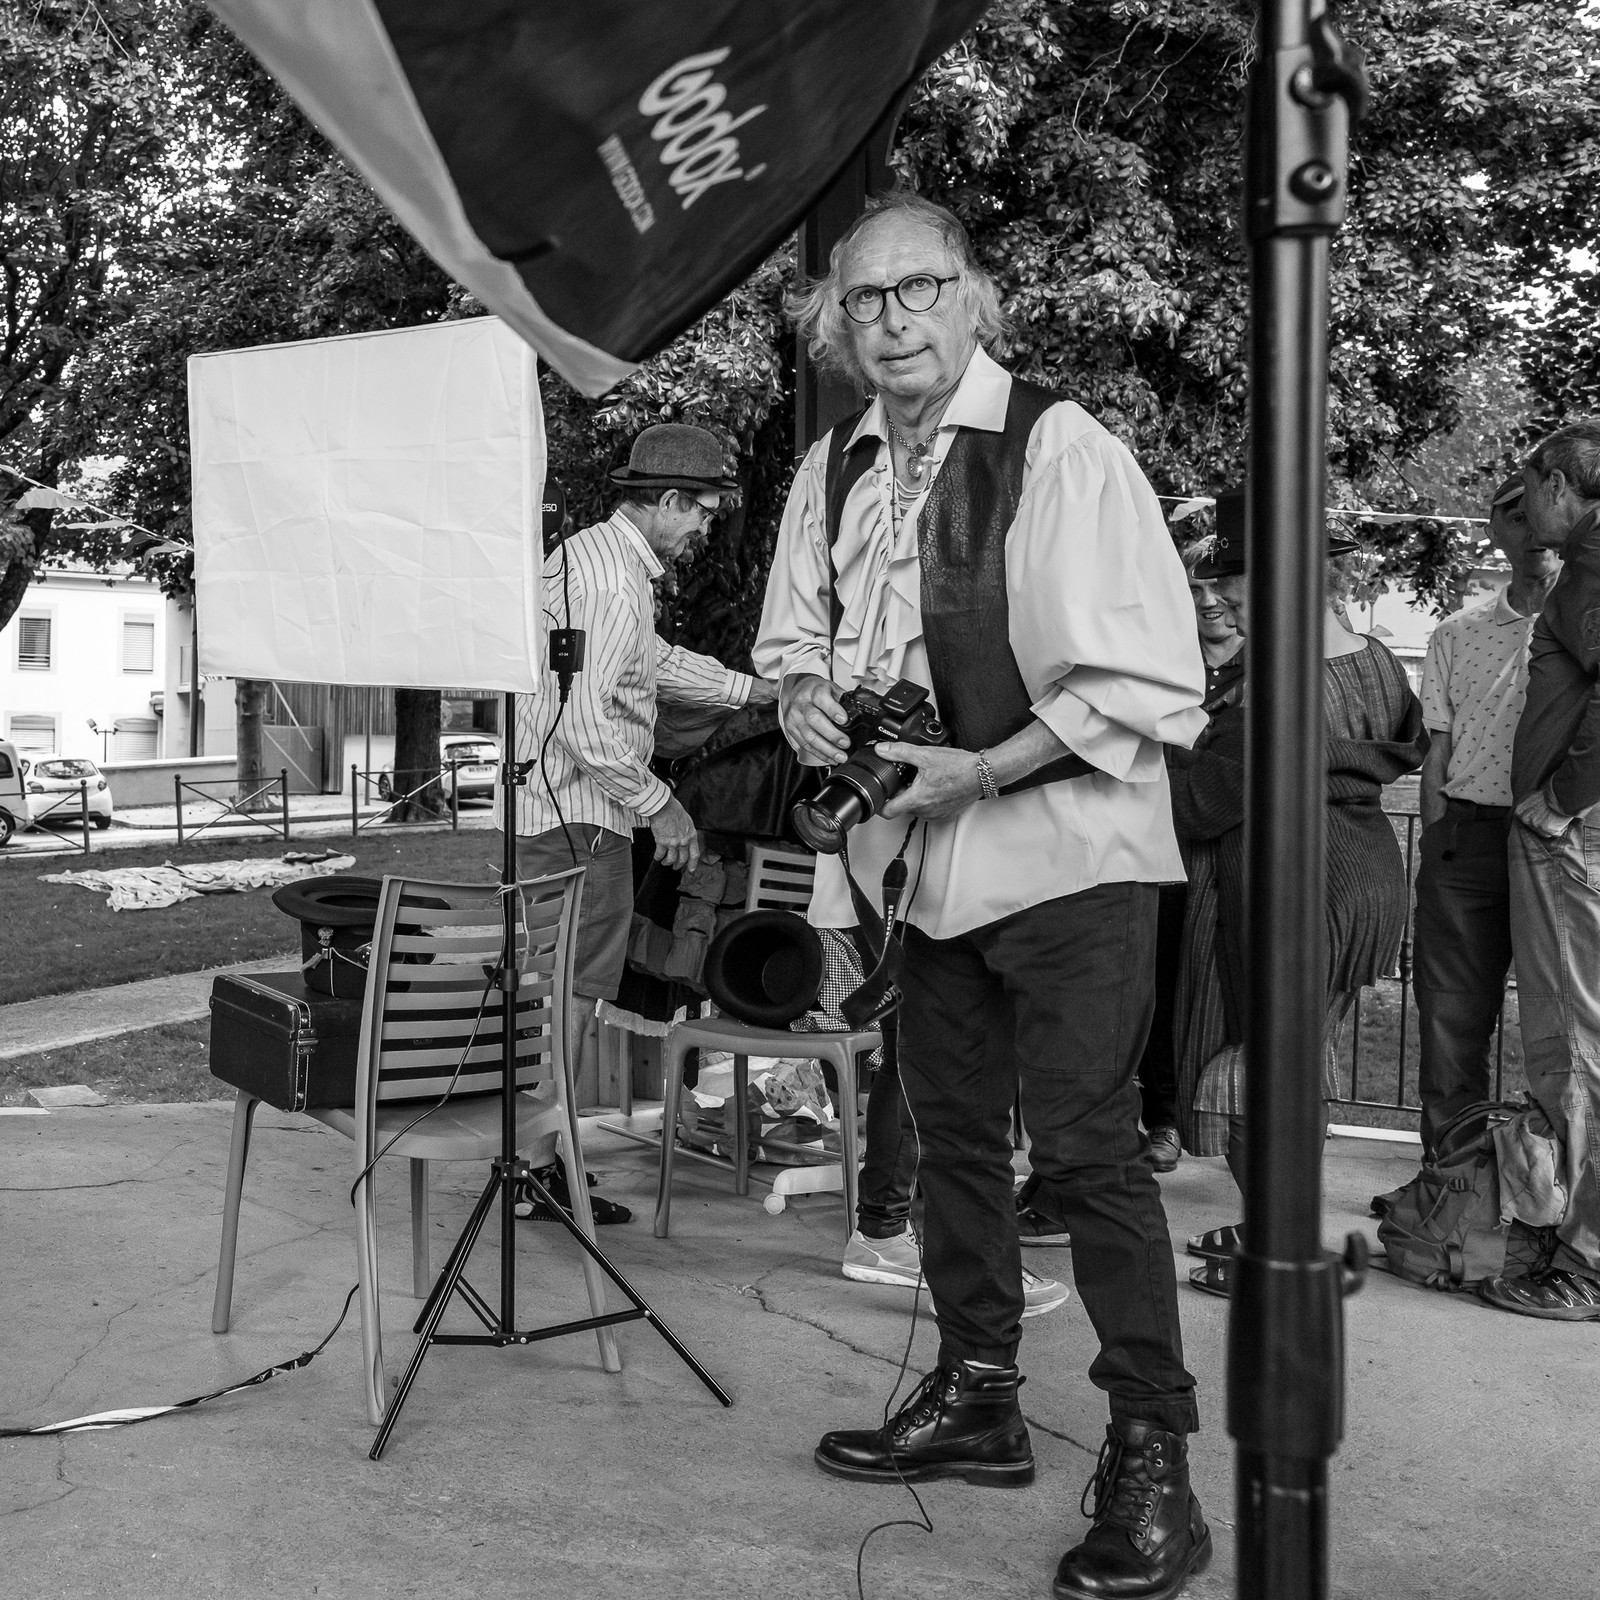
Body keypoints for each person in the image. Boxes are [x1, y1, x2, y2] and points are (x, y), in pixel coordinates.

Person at [755, 191, 1211, 1600]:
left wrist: (985, 769)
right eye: (864, 297)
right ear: (836, 323)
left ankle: (1154, 1456)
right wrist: (807, 698)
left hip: (1067, 856)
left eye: (919, 289)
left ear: (973, 297)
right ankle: (979, 1395)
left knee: (1083, 1151)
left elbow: (1145, 677)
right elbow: (794, 636)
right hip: (921, 869)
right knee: (952, 1139)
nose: (892, 320)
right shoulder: (833, 462)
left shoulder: (1061, 447)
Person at [511, 424, 776, 1223]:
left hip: (559, 815)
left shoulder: (600, 561)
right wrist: (663, 806)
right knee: (569, 997)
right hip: (579, 820)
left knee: (559, 991)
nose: (706, 528)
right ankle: (537, 1170)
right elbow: (584, 726)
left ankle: (538, 1161)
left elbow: (648, 661)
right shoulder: (610, 581)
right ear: (666, 500)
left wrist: (755, 691)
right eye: (703, 511)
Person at [1174, 494, 1428, 1294]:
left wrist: (1150, 756)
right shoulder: (1374, 656)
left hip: (1295, 890)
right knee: (1295, 1062)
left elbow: (1207, 801)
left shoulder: (1280, 682)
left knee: (1251, 1068)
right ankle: (1275, 1230)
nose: (1221, 596)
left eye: (1234, 578)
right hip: (1364, 878)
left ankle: (1280, 1254)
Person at [1481, 418, 1600, 1321]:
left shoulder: (1593, 559)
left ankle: (1583, 1262)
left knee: (1576, 1048)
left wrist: (1561, 796)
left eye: (1526, 490)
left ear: (1559, 483)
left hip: (1572, 841)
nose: (1524, 509)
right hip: (1573, 838)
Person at [1410, 477, 1560, 1161]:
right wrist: (1438, 837)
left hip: (1560, 842)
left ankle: (1552, 1185)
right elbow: (1438, 751)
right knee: (1450, 1016)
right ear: (1495, 530)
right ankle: (1451, 1179)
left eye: (1544, 512)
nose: (1536, 531)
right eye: (1517, 517)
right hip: (1467, 839)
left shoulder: (1587, 625)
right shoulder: (1457, 632)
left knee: (1563, 1024)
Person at [1133, 545, 1247, 1180]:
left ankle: (1230, 1125)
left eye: (1219, 586)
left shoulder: (1275, 667)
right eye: (1194, 587)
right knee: (1156, 985)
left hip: (1231, 862)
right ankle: (1163, 1119)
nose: (1208, 601)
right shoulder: (1161, 662)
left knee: (1225, 994)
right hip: (1160, 853)